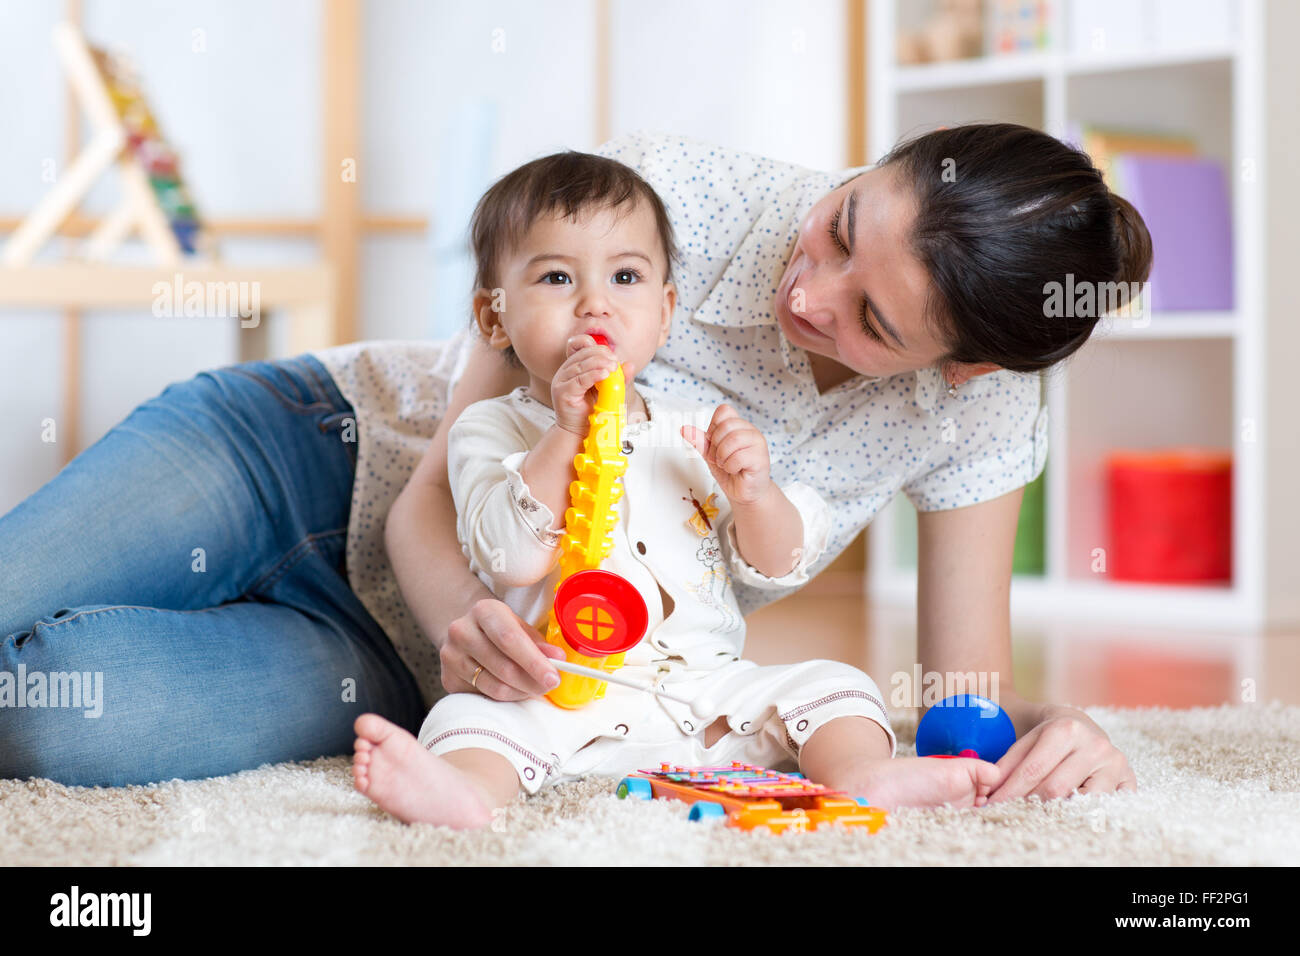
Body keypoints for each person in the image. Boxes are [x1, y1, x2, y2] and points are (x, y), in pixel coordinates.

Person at [1, 124, 1145, 800]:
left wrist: (1045, 734)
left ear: (960, 369)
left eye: (872, 321)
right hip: (308, 451)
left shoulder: (979, 417)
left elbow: (956, 704)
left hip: (393, 665)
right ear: (871, 168)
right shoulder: (676, 200)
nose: (808, 292)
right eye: (842, 225)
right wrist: (473, 630)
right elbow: (435, 497)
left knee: (43, 715)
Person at [352, 151, 1006, 827]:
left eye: (625, 277)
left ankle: (864, 774)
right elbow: (511, 556)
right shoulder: (490, 430)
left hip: (703, 694)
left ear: (664, 314)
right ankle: (466, 797)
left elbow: (780, 559)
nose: (594, 303)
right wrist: (565, 436)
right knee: (464, 720)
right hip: (552, 697)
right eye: (555, 278)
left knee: (838, 686)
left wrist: (756, 496)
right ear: (493, 321)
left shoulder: (693, 431)